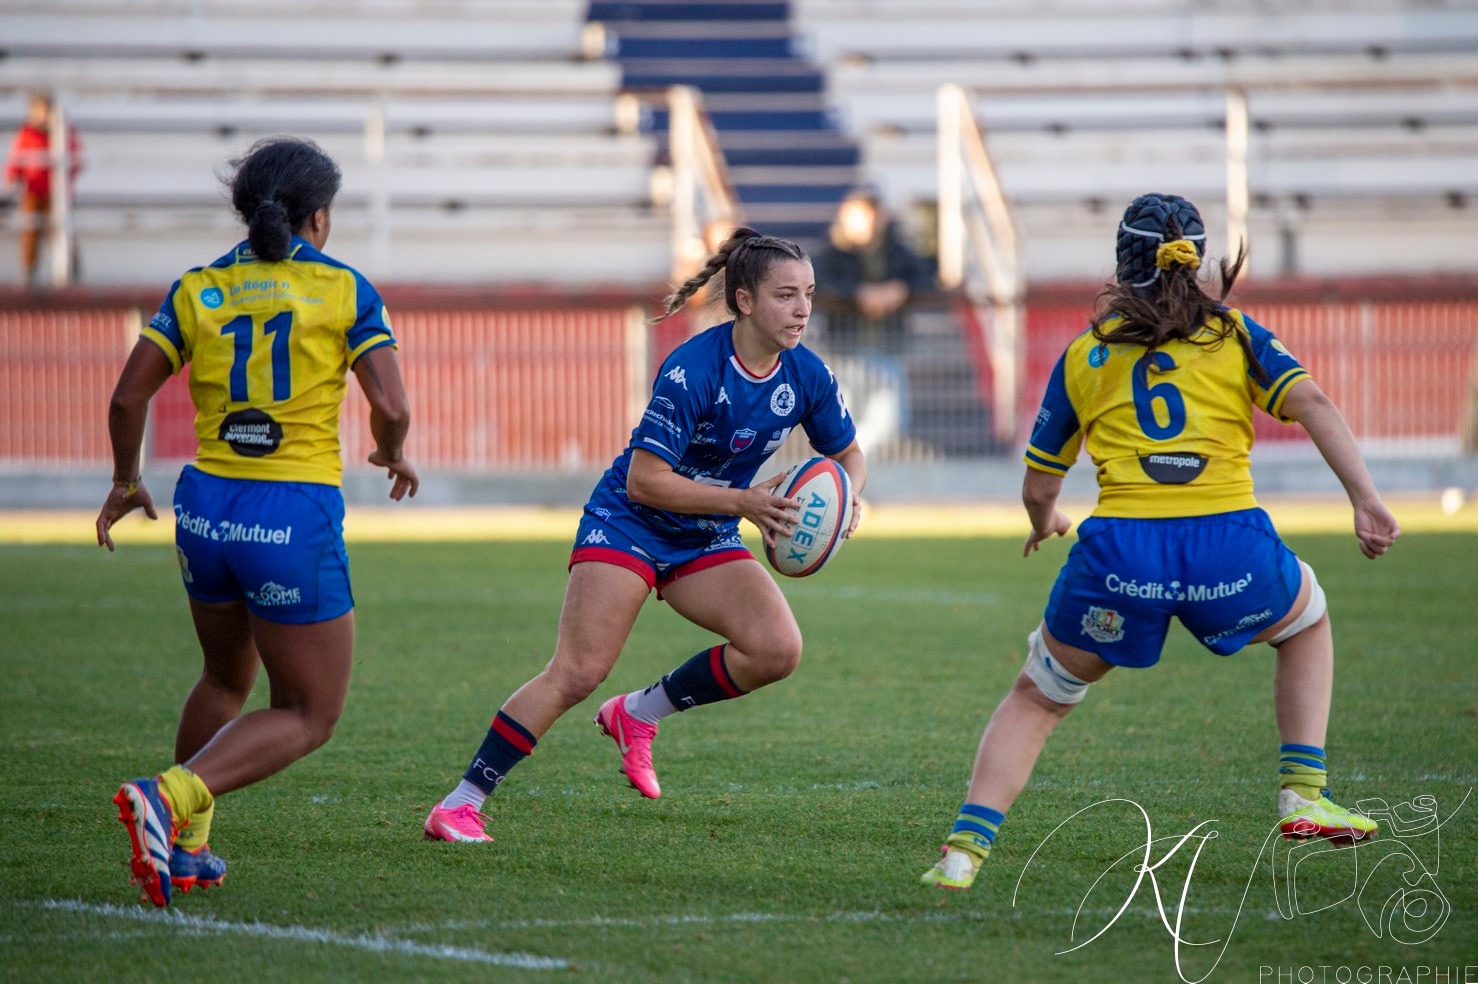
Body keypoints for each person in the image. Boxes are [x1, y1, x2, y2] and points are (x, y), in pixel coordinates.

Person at [919, 193, 1401, 891]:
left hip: (1121, 558)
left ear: (1121, 262)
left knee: (1037, 699)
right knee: (1307, 621)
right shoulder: (1236, 335)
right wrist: (1366, 499)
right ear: (1198, 261)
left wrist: (1043, 522)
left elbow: (1037, 483)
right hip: (1226, 548)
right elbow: (1315, 405)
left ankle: (962, 853)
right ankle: (1302, 794)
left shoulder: (1087, 354)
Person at [424, 227, 866, 843]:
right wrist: (744, 502)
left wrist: (848, 502)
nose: (802, 310)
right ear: (743, 301)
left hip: (704, 532)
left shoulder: (807, 374)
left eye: (809, 294)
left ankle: (638, 714)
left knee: (775, 649)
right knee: (579, 671)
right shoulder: (693, 369)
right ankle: (461, 802)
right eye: (786, 296)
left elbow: (848, 455)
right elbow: (645, 481)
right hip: (629, 523)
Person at [96, 137, 419, 907]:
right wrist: (391, 452)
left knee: (223, 675)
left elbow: (125, 399)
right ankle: (168, 797)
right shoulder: (343, 289)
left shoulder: (199, 286)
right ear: (319, 216)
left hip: (204, 507)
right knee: (309, 711)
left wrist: (124, 481)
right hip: (289, 511)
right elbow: (394, 406)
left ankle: (185, 848)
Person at [812, 189, 932, 357]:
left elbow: (926, 278)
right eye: (861, 216)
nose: (869, 222)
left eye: (873, 215)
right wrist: (857, 294)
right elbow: (818, 283)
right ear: (845, 216)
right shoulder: (830, 253)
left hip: (889, 347)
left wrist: (901, 289)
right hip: (843, 350)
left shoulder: (897, 251)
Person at [5, 92, 83, 286]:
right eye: (39, 111)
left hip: (57, 194)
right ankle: (29, 271)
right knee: (31, 232)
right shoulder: (26, 134)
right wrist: (13, 178)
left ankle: (70, 269)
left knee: (61, 232)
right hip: (33, 191)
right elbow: (16, 160)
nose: (43, 115)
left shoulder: (63, 133)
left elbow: (75, 159)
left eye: (46, 111)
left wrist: (65, 181)